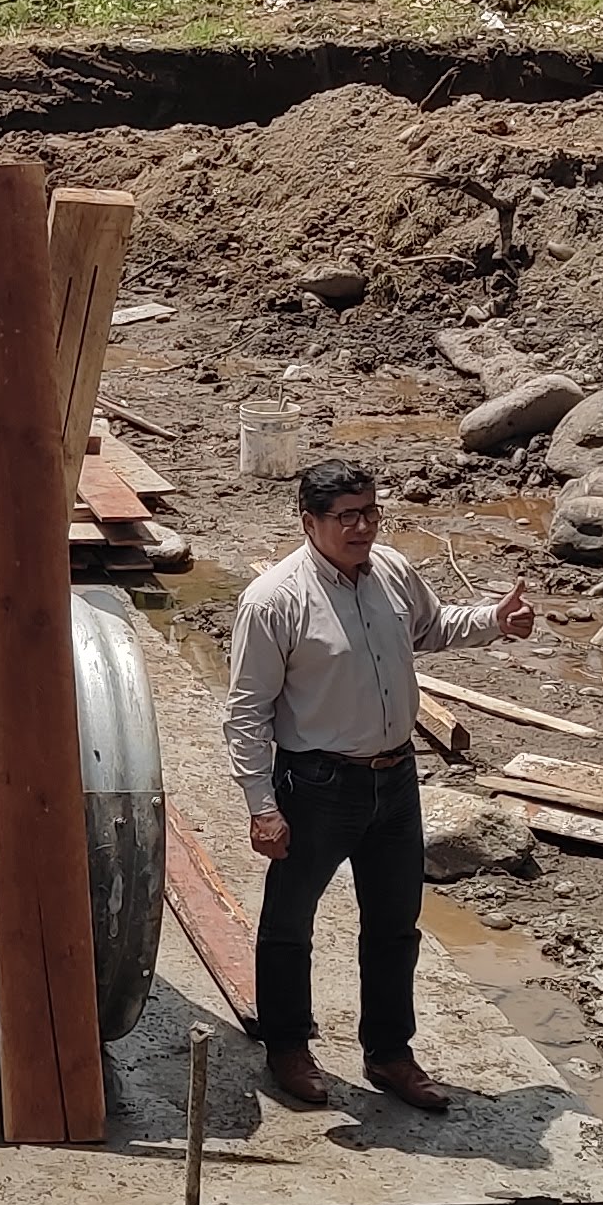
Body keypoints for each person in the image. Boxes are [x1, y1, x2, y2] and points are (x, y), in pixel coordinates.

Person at [222, 458, 534, 1113]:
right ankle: (288, 1047)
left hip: (395, 781)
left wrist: (493, 621)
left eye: (370, 513)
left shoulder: (390, 570)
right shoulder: (274, 601)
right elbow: (247, 714)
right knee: (289, 924)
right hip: (317, 784)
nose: (362, 528)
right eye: (347, 517)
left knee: (395, 925)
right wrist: (262, 806)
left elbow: (430, 627)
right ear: (309, 522)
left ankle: (390, 1053)